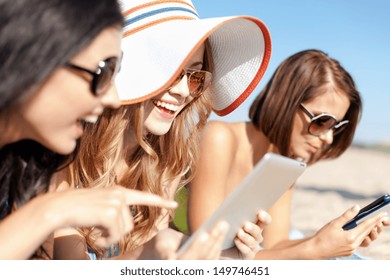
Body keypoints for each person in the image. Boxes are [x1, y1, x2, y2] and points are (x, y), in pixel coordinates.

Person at [52, 0, 273, 260]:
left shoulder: (164, 162)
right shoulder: (65, 155)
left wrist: (224, 257)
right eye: (169, 71)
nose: (182, 91)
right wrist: (148, 252)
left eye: (195, 77)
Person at [0, 0, 178, 260]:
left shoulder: (26, 166)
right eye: (102, 71)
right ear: (34, 57)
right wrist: (50, 211)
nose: (113, 98)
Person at [188, 49, 390, 259]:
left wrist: (336, 237)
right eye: (322, 121)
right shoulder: (219, 137)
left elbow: (277, 244)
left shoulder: (283, 165)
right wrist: (317, 248)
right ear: (285, 101)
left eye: (336, 127)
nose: (329, 138)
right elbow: (204, 253)